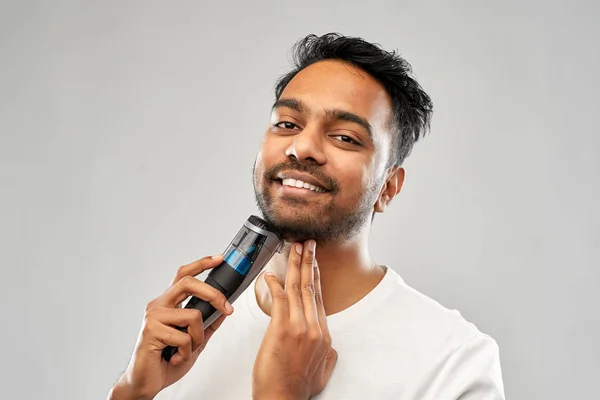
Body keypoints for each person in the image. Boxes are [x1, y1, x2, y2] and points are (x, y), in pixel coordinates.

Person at [108, 33, 505, 400]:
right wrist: (132, 391)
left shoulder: (454, 360)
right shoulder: (185, 330)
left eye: (345, 137)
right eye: (287, 124)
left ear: (388, 187)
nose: (302, 146)